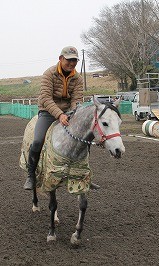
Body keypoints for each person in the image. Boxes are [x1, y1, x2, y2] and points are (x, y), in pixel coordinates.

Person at [23, 46, 100, 191]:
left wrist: (72, 113)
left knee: (86, 139)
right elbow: (46, 98)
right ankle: (31, 175)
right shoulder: (49, 74)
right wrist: (59, 115)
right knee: (38, 140)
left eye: (74, 61)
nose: (71, 63)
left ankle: (84, 176)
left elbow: (76, 99)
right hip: (48, 111)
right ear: (61, 59)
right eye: (69, 60)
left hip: (68, 112)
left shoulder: (77, 78)